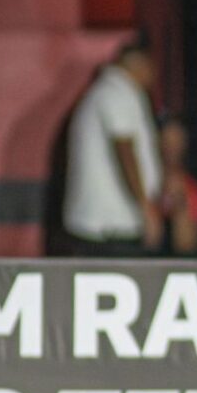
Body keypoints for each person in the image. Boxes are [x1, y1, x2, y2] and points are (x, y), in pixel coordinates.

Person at [62, 39, 163, 256]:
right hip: (110, 225)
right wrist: (146, 207)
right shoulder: (118, 93)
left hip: (99, 223)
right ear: (139, 65)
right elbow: (125, 149)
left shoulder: (102, 91)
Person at [157, 114, 197, 255]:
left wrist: (179, 204)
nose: (171, 149)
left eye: (177, 143)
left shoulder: (193, 190)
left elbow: (186, 246)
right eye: (166, 142)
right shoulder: (143, 182)